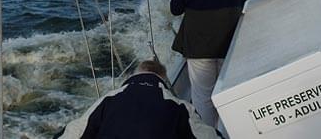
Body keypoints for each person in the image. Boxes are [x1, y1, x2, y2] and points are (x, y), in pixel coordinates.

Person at [170, 0, 320, 127]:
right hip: (229, 47)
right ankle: (226, 130)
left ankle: (208, 133)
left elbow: (175, 9)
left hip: (198, 49)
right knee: (227, 94)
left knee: (202, 95)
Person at [60, 60, 220, 139]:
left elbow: (74, 133)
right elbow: (207, 136)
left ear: (134, 75)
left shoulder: (109, 99)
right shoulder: (179, 105)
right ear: (163, 80)